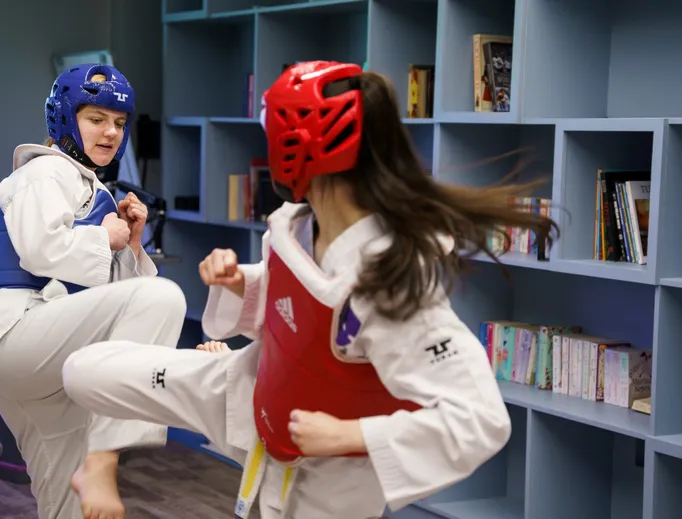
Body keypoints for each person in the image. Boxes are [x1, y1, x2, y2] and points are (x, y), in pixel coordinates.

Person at [60, 61, 558, 518]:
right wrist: (242, 284)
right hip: (249, 390)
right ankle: (99, 464)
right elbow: (293, 304)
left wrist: (349, 434)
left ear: (304, 144)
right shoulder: (297, 225)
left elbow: (482, 419)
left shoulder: (389, 277)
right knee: (83, 371)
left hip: (330, 470)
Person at [0, 63, 187, 519]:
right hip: (17, 335)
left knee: (69, 504)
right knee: (164, 298)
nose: (111, 132)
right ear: (64, 117)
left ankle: (92, 468)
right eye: (96, 119)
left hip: (43, 362)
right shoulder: (43, 172)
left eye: (119, 123)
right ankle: (106, 458)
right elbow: (43, 250)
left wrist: (132, 243)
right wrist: (108, 238)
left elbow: (119, 310)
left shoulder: (91, 189)